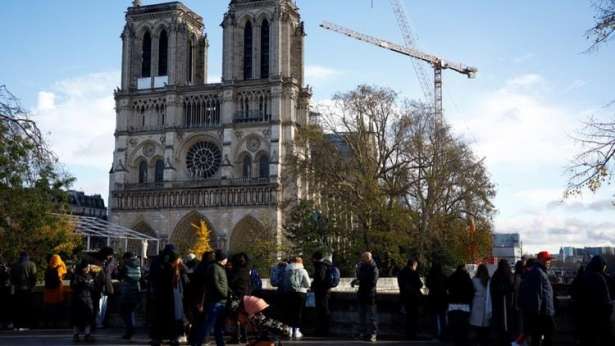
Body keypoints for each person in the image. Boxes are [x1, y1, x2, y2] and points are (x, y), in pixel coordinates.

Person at [150, 244, 188, 346]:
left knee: (159, 316)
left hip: (160, 293)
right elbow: (185, 276)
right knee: (173, 316)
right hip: (173, 294)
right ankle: (173, 338)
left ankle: (157, 338)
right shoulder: (176, 262)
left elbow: (152, 276)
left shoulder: (157, 260)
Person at [192, 249, 230, 346]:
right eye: (226, 258)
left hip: (220, 301)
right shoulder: (215, 268)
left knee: (217, 327)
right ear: (222, 258)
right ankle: (197, 343)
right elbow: (216, 284)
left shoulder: (220, 268)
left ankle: (220, 344)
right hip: (216, 301)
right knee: (208, 325)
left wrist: (228, 292)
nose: (227, 260)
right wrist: (224, 293)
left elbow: (222, 284)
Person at [519, 251, 555, 346]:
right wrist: (537, 315)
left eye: (549, 260)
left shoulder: (539, 271)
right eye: (546, 260)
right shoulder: (538, 272)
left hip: (543, 312)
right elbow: (536, 295)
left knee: (539, 338)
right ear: (540, 260)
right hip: (543, 314)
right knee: (543, 338)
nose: (548, 262)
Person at [576, 255, 613, 346]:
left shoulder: (583, 276)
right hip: (600, 318)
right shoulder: (600, 278)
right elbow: (606, 302)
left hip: (585, 318)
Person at [351, 251, 379, 343]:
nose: (361, 260)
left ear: (367, 258)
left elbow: (373, 282)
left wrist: (360, 281)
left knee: (372, 316)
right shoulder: (362, 266)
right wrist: (356, 281)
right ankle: (362, 332)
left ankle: (373, 334)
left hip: (370, 295)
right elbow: (360, 278)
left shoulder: (374, 268)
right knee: (361, 315)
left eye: (363, 258)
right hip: (362, 294)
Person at [283, 256, 311, 340]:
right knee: (299, 312)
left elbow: (285, 283)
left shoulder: (287, 271)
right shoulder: (303, 271)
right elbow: (308, 284)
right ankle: (297, 331)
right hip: (301, 293)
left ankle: (290, 330)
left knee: (290, 311)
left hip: (290, 293)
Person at [446, 265, 474, 346]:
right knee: (463, 323)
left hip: (453, 303)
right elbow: (471, 291)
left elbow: (447, 287)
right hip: (464, 303)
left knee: (455, 323)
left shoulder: (452, 277)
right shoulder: (467, 278)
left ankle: (456, 339)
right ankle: (463, 339)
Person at [228, 252, 252, 344]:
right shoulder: (246, 269)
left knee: (235, 318)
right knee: (243, 318)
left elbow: (231, 282)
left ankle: (236, 337)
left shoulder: (237, 271)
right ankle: (244, 337)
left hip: (237, 296)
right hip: (246, 295)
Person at [397, 258, 423, 340]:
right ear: (413, 265)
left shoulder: (401, 272)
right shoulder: (414, 273)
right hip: (413, 298)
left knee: (406, 317)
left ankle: (407, 334)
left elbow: (400, 285)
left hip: (404, 297)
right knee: (413, 317)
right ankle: (413, 334)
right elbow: (420, 284)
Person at [11, 251, 37, 331]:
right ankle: (28, 325)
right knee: (28, 308)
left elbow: (12, 278)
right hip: (28, 290)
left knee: (18, 308)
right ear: (27, 256)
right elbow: (34, 277)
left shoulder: (15, 265)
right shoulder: (32, 264)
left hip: (18, 290)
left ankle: (18, 325)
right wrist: (32, 286)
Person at [71, 260, 96, 342]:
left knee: (87, 318)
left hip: (86, 298)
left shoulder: (89, 276)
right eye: (87, 267)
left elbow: (93, 287)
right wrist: (84, 283)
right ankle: (77, 335)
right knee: (78, 318)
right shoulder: (76, 276)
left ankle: (86, 334)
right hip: (80, 299)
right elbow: (73, 286)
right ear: (83, 268)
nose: (88, 268)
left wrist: (89, 284)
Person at [119, 252, 142, 341]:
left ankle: (130, 331)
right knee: (131, 312)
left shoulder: (126, 266)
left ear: (127, 258)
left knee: (124, 311)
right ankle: (130, 331)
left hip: (127, 292)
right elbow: (140, 277)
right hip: (136, 291)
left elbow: (120, 276)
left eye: (124, 259)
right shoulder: (138, 265)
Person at [491, 259, 514, 346]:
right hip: (506, 301)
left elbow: (493, 288)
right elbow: (512, 286)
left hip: (498, 302)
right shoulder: (508, 273)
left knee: (499, 322)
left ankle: (500, 339)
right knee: (507, 322)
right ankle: (506, 339)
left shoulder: (496, 275)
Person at [311, 252, 333, 336]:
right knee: (323, 310)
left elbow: (320, 278)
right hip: (324, 291)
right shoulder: (324, 265)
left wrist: (313, 285)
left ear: (315, 258)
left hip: (322, 291)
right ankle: (323, 329)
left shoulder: (320, 266)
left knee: (322, 310)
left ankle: (323, 330)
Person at [470, 264, 492, 346]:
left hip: (477, 302)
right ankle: (484, 341)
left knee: (476, 324)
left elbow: (472, 291)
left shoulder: (474, 280)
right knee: (485, 324)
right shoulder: (489, 280)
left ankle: (477, 342)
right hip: (486, 303)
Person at [94, 247, 116, 329]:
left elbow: (112, 272)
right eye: (108, 255)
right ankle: (98, 322)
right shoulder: (105, 261)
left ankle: (101, 321)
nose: (109, 256)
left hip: (106, 284)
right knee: (100, 305)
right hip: (102, 284)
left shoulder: (111, 261)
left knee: (103, 305)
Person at [43, 254, 68, 328]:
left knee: (48, 309)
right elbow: (63, 274)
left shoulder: (48, 268)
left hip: (48, 293)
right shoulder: (59, 267)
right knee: (57, 308)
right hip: (57, 292)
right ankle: (56, 323)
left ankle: (47, 323)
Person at [426, 262, 448, 340]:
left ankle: (435, 333)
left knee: (434, 317)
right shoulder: (443, 276)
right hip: (442, 298)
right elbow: (447, 286)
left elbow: (427, 285)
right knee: (442, 317)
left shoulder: (430, 276)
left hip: (433, 298)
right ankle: (443, 334)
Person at [0, 255, 12, 330]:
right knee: (6, 307)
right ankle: (6, 323)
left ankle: (3, 323)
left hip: (3, 289)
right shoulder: (7, 269)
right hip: (6, 289)